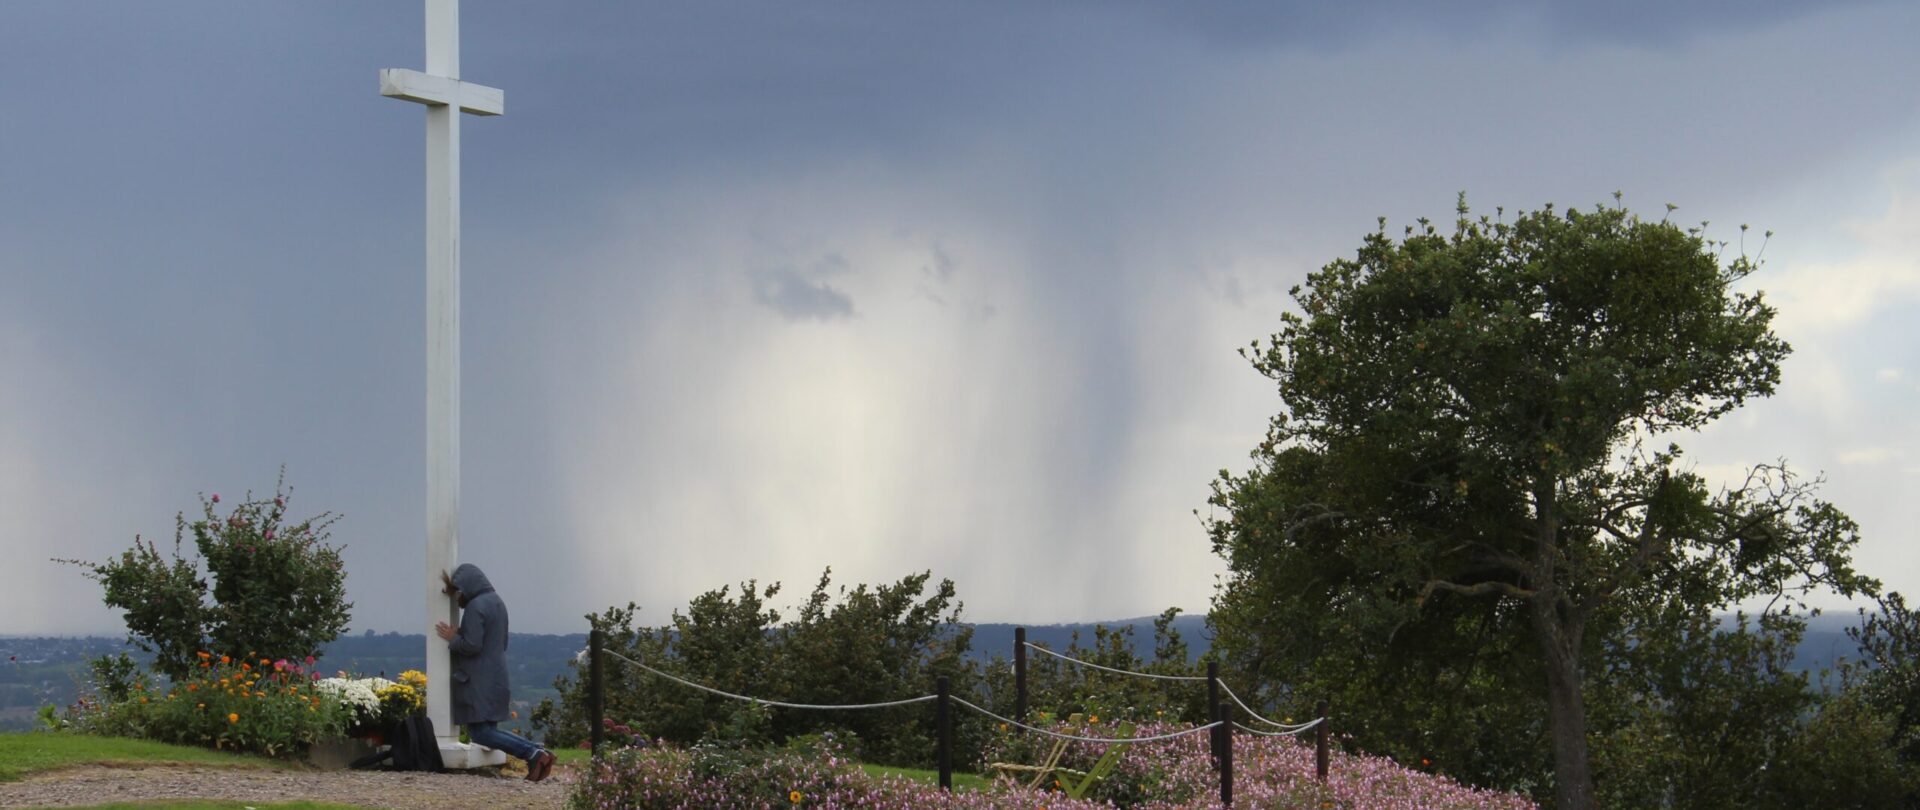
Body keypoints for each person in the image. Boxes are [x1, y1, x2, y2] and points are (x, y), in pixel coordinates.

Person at [435, 563, 556, 782]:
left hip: (479, 679)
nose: (459, 599)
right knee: (488, 729)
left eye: (459, 592)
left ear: (468, 587)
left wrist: (454, 638)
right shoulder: (497, 602)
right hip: (496, 674)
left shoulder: (475, 607)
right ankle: (539, 752)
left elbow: (472, 645)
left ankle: (533, 753)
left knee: (480, 733)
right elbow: (498, 640)